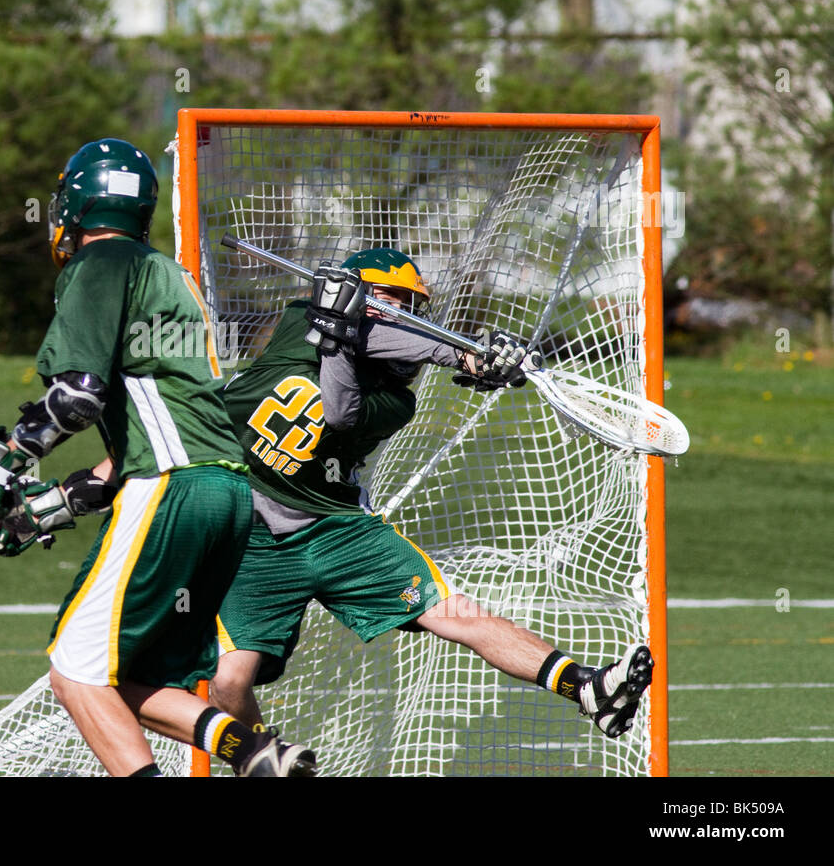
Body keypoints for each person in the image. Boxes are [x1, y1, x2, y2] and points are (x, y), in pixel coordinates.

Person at [0, 137, 316, 776]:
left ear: (76, 202)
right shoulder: (167, 273)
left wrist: (3, 459)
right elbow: (150, 427)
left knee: (75, 672)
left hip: (171, 488)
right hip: (224, 493)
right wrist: (50, 507)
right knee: (129, 681)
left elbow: (78, 395)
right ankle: (256, 751)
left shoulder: (100, 266)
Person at [209, 248, 654, 741]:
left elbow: (345, 402)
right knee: (229, 681)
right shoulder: (301, 320)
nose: (403, 312)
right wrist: (459, 352)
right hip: (254, 534)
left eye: (410, 304)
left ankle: (589, 687)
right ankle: (262, 762)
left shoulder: (395, 402)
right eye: (390, 298)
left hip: (338, 529)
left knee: (456, 612)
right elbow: (364, 339)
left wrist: (471, 357)